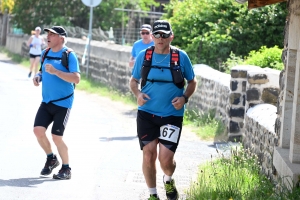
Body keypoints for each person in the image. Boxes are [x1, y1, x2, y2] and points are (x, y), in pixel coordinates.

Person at [129, 20, 197, 200]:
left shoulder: (181, 57)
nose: (160, 38)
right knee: (148, 155)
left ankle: (168, 180)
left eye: (164, 35)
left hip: (172, 116)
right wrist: (138, 94)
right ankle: (152, 194)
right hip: (147, 114)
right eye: (157, 35)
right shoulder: (144, 56)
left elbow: (192, 81)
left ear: (171, 37)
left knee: (166, 160)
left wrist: (184, 98)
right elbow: (133, 81)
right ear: (152, 36)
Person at [32, 26, 80, 180]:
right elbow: (42, 70)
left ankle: (66, 169)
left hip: (63, 103)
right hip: (46, 101)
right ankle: (51, 158)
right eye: (48, 34)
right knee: (38, 131)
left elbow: (76, 79)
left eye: (52, 34)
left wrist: (56, 72)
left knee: (56, 137)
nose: (48, 36)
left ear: (61, 38)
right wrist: (38, 76)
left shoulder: (69, 55)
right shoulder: (45, 52)